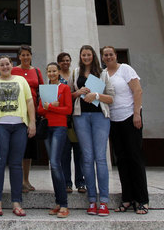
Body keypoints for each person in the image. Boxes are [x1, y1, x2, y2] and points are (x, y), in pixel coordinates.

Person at [0, 55, 36, 217]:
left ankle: (16, 202)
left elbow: (29, 102)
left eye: (7, 64)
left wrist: (32, 122)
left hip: (19, 127)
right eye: (2, 65)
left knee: (16, 164)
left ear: (12, 65)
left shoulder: (21, 80)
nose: (5, 67)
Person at [102, 45, 149, 215]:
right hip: (114, 120)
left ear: (116, 55)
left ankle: (142, 200)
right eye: (105, 55)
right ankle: (127, 198)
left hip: (130, 117)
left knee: (135, 157)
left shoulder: (126, 69)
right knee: (121, 159)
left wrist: (137, 113)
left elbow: (137, 90)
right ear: (102, 58)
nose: (108, 57)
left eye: (111, 54)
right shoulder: (103, 74)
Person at [70, 44, 114, 217]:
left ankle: (103, 201)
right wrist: (78, 92)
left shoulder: (102, 73)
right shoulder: (76, 73)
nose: (86, 57)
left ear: (93, 56)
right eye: (83, 55)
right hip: (81, 117)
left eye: (89, 54)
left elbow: (111, 98)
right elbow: (69, 95)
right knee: (87, 158)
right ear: (80, 57)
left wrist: (96, 95)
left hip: (100, 117)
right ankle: (91, 200)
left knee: (100, 158)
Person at [37, 62, 72, 218]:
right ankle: (58, 202)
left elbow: (68, 109)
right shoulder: (45, 88)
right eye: (49, 71)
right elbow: (39, 109)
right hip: (47, 128)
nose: (51, 74)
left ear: (58, 72)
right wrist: (51, 106)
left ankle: (64, 204)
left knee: (56, 163)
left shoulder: (64, 88)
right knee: (53, 165)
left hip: (59, 128)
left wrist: (50, 107)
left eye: (54, 71)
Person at [11, 44, 43, 192]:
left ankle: (26, 179)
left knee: (28, 150)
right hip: (16, 113)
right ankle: (18, 181)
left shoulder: (36, 71)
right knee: (17, 148)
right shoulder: (13, 71)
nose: (25, 57)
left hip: (32, 113)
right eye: (22, 55)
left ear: (31, 56)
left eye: (27, 55)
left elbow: (42, 90)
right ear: (19, 57)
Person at [57, 52, 86, 194]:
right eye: (62, 61)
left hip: (77, 116)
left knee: (79, 152)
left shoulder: (75, 75)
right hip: (63, 118)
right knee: (65, 153)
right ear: (58, 63)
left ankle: (81, 182)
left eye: (67, 60)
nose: (65, 62)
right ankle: (67, 183)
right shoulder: (55, 76)